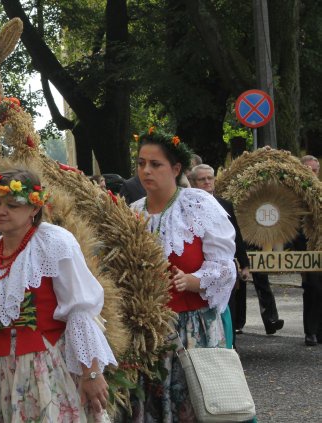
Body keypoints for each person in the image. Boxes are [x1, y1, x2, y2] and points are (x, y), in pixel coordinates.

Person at [0, 168, 117, 422]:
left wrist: (91, 373)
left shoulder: (54, 243)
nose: (1, 211)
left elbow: (79, 309)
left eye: (12, 204)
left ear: (34, 209)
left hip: (46, 366)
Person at [129, 131, 237, 422]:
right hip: (147, 335)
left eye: (155, 164)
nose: (146, 171)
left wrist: (193, 280)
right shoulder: (132, 214)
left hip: (192, 330)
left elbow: (226, 266)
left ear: (176, 169)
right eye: (141, 163)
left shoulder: (197, 205)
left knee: (194, 406)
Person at [192, 164, 251, 345]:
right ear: (194, 182)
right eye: (203, 179)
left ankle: (230, 345)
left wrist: (245, 264)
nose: (208, 182)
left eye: (210, 178)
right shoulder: (189, 205)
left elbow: (236, 236)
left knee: (228, 307)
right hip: (201, 266)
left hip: (224, 266)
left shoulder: (224, 204)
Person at [299, 155, 321, 346]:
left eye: (316, 170)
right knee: (312, 287)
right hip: (304, 248)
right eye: (310, 170)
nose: (314, 173)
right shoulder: (294, 193)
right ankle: (311, 332)